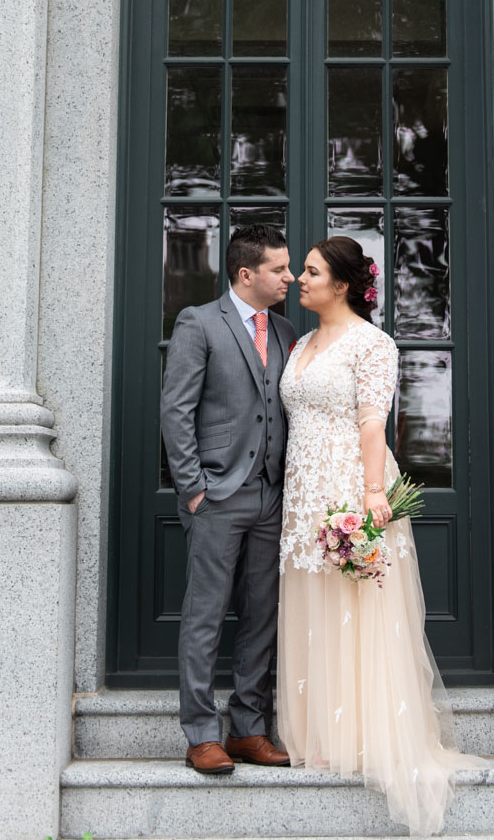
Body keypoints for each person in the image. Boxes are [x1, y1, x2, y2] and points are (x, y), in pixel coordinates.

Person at [277, 235, 484, 835]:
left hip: (349, 483)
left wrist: (372, 498)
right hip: (303, 489)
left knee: (358, 603)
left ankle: (365, 736)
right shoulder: (303, 342)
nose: (301, 280)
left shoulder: (374, 343)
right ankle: (322, 735)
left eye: (311, 272)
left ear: (341, 284)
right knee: (315, 601)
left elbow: (373, 423)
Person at [161, 223, 296, 775]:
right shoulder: (199, 322)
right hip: (217, 493)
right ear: (247, 274)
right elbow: (176, 410)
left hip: (272, 496)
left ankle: (247, 728)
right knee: (205, 615)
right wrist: (193, 489)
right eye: (279, 269)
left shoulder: (287, 331)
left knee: (263, 615)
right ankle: (200, 734)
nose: (290, 277)